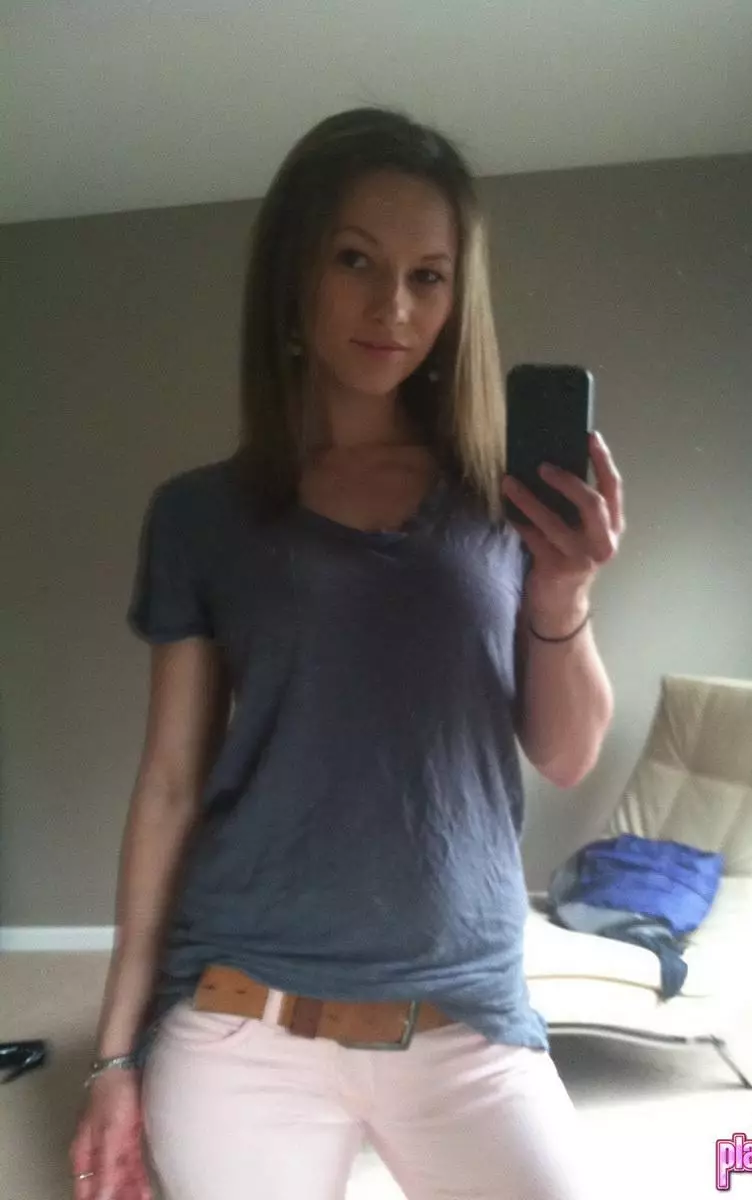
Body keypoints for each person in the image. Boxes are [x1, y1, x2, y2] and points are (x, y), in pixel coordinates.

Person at [69, 107, 624, 1200]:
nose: (393, 307)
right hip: (242, 1018)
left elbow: (565, 756)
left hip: (464, 1014)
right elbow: (172, 785)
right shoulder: (201, 515)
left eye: (429, 276)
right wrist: (114, 1056)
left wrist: (562, 592)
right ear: (295, 275)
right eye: (356, 261)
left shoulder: (501, 499)